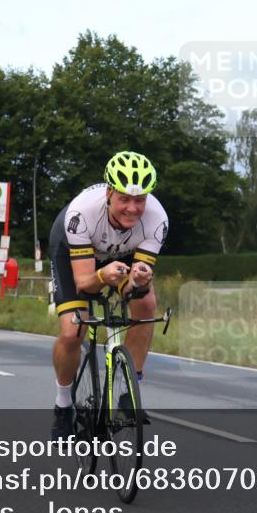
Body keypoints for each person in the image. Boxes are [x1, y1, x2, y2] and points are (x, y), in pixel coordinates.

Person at [48, 151, 168, 440]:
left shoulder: (157, 220)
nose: (132, 208)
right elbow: (84, 286)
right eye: (124, 199)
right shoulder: (81, 213)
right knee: (73, 330)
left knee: (147, 301)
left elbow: (132, 289)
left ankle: (128, 391)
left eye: (139, 200)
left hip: (120, 258)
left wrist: (137, 281)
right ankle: (63, 405)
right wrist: (102, 276)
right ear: (109, 193)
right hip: (74, 256)